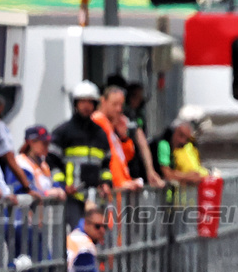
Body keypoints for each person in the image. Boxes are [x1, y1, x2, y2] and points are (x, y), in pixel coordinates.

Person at [50, 81, 113, 219]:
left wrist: (106, 183)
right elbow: (52, 163)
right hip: (71, 198)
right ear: (75, 104)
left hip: (95, 199)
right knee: (75, 237)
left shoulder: (100, 134)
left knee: (95, 237)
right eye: (82, 102)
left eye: (90, 102)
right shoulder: (62, 132)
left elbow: (106, 165)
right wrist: (62, 185)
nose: (86, 106)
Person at [91, 85, 142, 190]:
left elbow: (123, 158)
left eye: (121, 105)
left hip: (120, 189)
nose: (119, 109)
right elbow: (109, 160)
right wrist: (120, 183)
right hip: (114, 190)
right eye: (114, 104)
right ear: (103, 101)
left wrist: (123, 137)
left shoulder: (109, 125)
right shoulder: (98, 122)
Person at [13, 126, 66, 200]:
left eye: (48, 143)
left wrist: (58, 189)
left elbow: (51, 184)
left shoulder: (43, 164)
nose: (47, 147)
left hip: (43, 209)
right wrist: (46, 194)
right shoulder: (20, 162)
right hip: (29, 210)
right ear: (31, 142)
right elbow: (25, 190)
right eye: (44, 143)